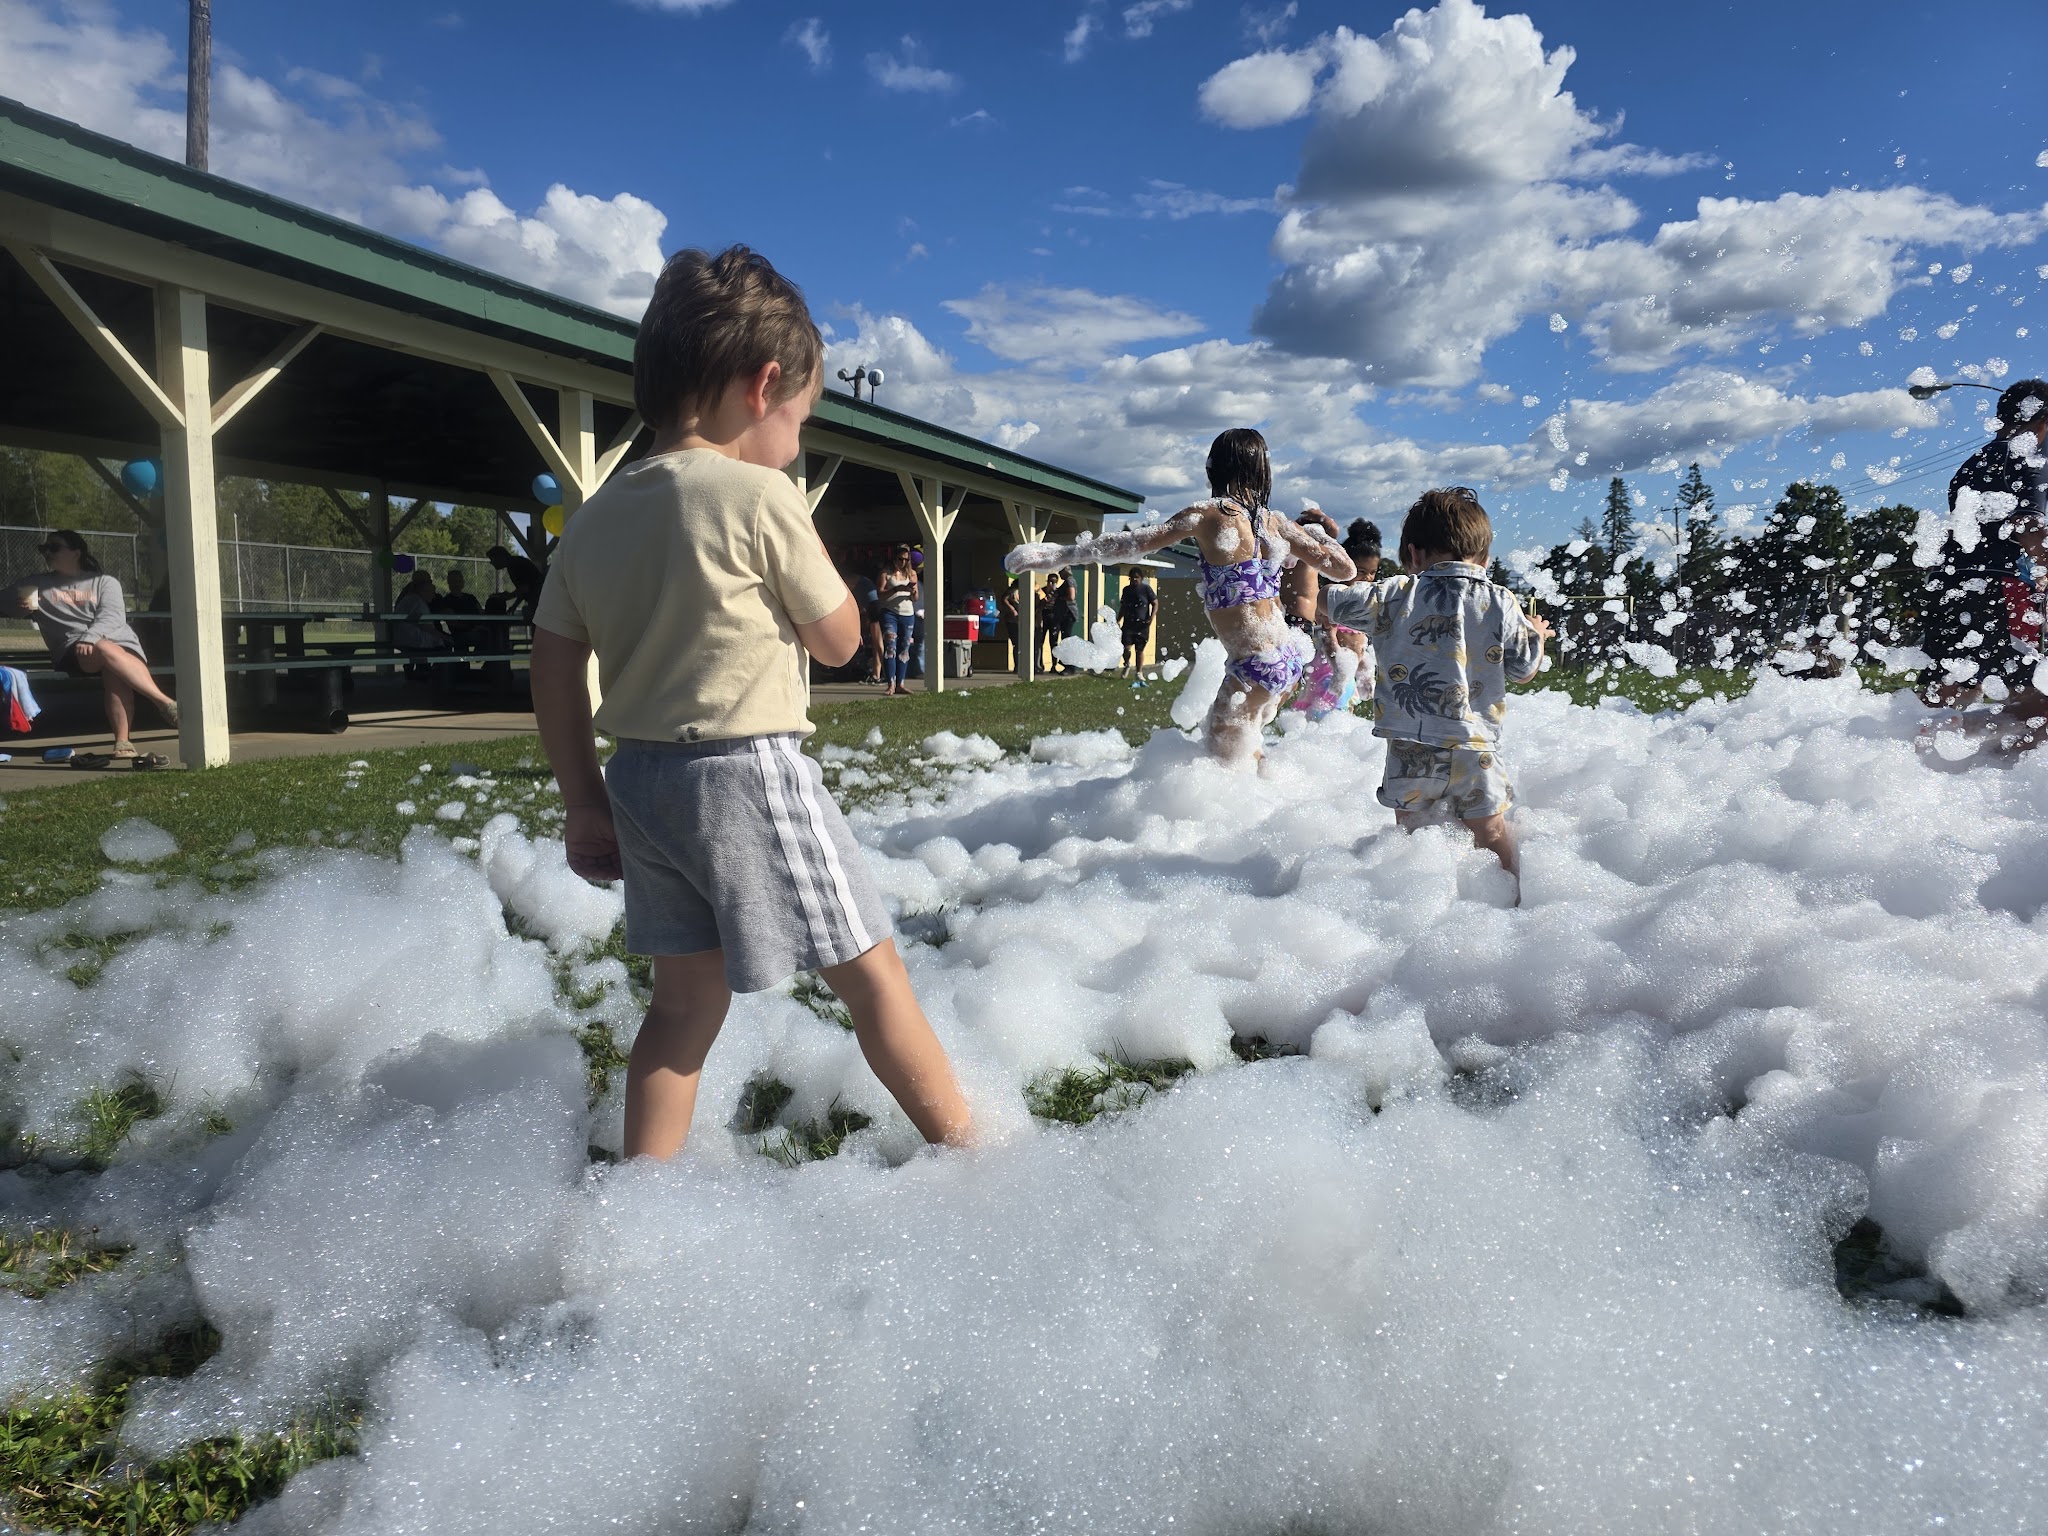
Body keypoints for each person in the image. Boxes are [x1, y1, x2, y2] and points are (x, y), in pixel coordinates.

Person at [527, 243, 973, 1161]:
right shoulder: (762, 495)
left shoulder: (595, 517)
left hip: (640, 782)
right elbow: (844, 642)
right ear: (762, 386)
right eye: (803, 419)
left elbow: (554, 665)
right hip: (745, 775)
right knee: (874, 975)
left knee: (683, 1005)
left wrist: (582, 798)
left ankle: (642, 1198)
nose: (798, 442)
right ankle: (974, 1152)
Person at [1007, 428, 1356, 765]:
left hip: (1255, 664)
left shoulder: (1210, 514)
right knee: (1247, 756)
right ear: (1263, 472)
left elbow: (1131, 543)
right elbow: (1345, 570)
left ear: (1213, 469)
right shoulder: (1277, 523)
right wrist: (1317, 536)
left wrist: (1057, 554)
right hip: (1288, 656)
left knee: (1221, 770)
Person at [1323, 487, 1551, 881]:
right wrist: (1538, 633)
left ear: (1413, 554)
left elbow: (1327, 602)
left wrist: (1317, 562)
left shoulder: (1394, 594)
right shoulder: (1501, 601)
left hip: (1410, 745)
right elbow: (1524, 669)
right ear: (1486, 558)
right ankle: (1513, 907)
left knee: (1411, 840)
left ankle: (1415, 910)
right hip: (1474, 747)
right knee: (1491, 833)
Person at [1917, 378, 2048, 746]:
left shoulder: (1970, 465)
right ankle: (2014, 784)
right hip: (1999, 591)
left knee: (1953, 692)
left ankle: (1912, 744)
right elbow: (2027, 523)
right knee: (2040, 701)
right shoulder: (2029, 457)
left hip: (1951, 587)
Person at [3, 529, 177, 757]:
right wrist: (18, 607)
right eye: (44, 549)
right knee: (106, 652)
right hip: (73, 650)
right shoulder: (36, 584)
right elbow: (3, 603)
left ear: (76, 552)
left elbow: (113, 616)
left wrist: (91, 637)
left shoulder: (104, 582)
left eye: (54, 547)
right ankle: (164, 703)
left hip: (118, 644)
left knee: (113, 668)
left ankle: (123, 742)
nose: (47, 553)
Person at [877, 545, 920, 696]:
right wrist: (896, 589)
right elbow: (880, 595)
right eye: (900, 559)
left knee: (904, 648)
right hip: (890, 612)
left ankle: (901, 683)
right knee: (890, 646)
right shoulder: (886, 574)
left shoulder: (912, 574)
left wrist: (912, 591)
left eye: (906, 560)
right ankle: (891, 683)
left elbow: (916, 598)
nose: (902, 562)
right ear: (894, 558)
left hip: (908, 613)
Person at [1118, 566, 1157, 678]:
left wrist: (1151, 617)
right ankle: (1127, 664)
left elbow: (1155, 603)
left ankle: (1139, 672)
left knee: (1139, 650)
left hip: (1142, 625)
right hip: (1129, 624)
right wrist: (1118, 619)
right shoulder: (1126, 590)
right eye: (1132, 578)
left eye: (1137, 577)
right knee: (1126, 648)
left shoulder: (1146, 589)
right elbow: (1123, 606)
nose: (1134, 580)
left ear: (1141, 578)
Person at [487, 544, 545, 617]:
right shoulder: (514, 564)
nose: (491, 563)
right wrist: (514, 606)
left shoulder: (515, 565)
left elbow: (525, 588)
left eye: (492, 559)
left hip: (541, 602)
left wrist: (509, 596)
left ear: (500, 557)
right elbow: (523, 590)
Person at [438, 567, 486, 652]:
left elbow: (481, 613)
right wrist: (471, 628)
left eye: (460, 581)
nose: (457, 584)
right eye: (454, 581)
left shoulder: (471, 598)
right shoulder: (446, 601)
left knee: (492, 634)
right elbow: (452, 622)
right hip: (460, 634)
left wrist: (480, 626)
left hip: (478, 630)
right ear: (449, 583)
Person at [1047, 571, 1077, 672]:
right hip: (1063, 614)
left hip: (1067, 614)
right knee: (1064, 639)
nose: (1060, 574)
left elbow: (1071, 597)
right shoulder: (1067, 582)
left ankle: (1069, 666)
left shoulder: (1069, 581)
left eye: (1061, 572)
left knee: (1066, 640)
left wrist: (1058, 596)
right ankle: (1066, 663)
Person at [1000, 576, 1023, 672]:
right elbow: (1004, 599)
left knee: (1021, 644)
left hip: (1020, 620)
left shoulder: (1020, 591)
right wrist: (1012, 609)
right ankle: (1017, 666)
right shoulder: (1012, 591)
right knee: (1017, 643)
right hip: (1013, 620)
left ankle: (1021, 665)